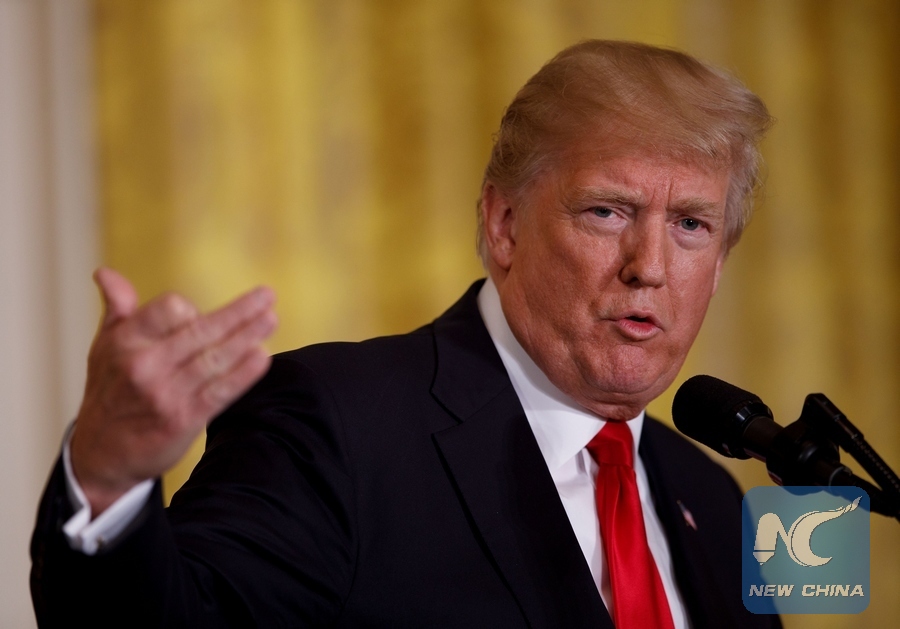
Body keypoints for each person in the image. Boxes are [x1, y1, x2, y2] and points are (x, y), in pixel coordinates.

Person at [31, 40, 779, 628]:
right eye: (607, 211)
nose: (649, 266)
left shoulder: (711, 499)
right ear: (504, 224)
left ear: (719, 264)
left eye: (691, 225)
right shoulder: (336, 424)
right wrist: (108, 479)